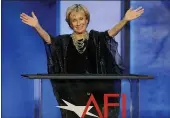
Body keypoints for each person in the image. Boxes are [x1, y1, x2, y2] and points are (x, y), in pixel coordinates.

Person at [20, 4, 144, 118]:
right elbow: (49, 40)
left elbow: (111, 33)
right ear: (70, 23)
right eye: (74, 20)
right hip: (74, 98)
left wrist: (125, 20)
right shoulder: (64, 42)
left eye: (81, 19)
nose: (78, 23)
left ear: (86, 20)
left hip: (98, 98)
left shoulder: (97, 38)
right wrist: (37, 26)